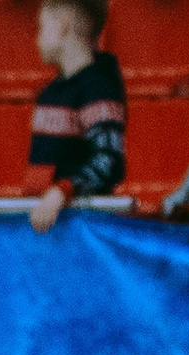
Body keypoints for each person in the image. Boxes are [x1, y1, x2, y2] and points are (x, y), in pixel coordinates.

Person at [26, 0, 126, 234]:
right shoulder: (51, 92)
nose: (36, 38)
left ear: (61, 26)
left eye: (41, 27)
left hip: (82, 228)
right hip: (49, 226)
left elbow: (109, 160)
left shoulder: (99, 87)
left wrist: (63, 190)